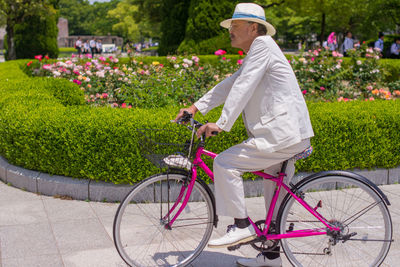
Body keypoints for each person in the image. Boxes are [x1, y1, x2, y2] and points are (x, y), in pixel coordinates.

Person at [174, 3, 314, 267]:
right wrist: (195, 107)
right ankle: (271, 257)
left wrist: (221, 123)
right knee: (274, 196)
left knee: (225, 162)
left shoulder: (262, 45)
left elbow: (244, 86)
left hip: (280, 136)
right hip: (282, 135)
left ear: (253, 28)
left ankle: (241, 225)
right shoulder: (257, 52)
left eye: (235, 26)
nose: (230, 31)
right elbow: (231, 84)